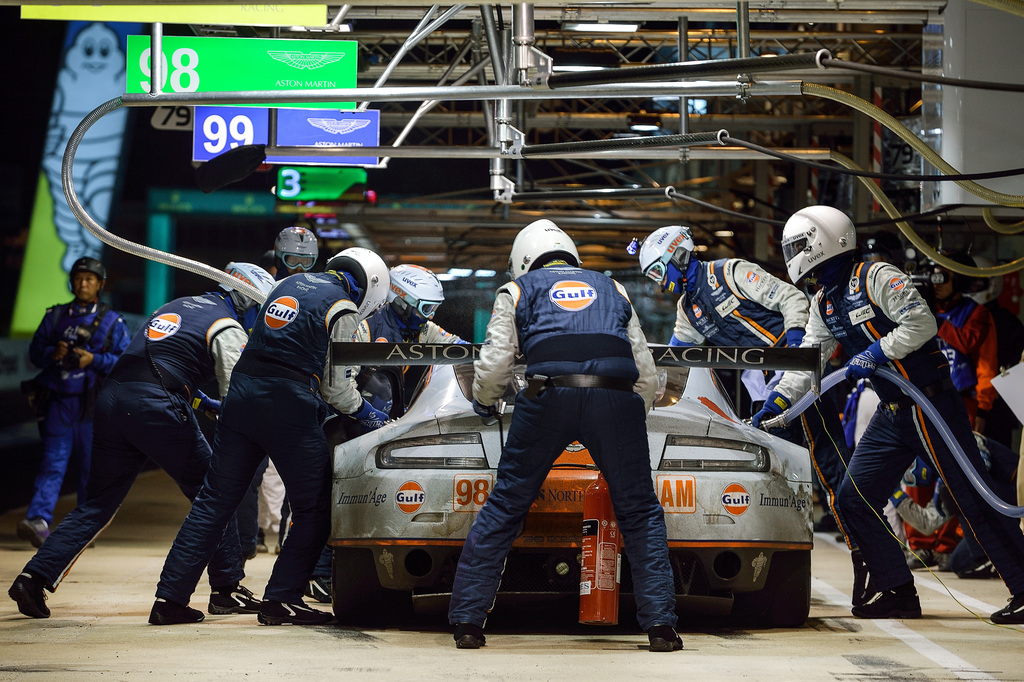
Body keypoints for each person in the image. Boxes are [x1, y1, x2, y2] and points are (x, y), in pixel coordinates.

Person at [753, 205, 1024, 624]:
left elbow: (922, 323)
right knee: (852, 498)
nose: (794, 253)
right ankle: (897, 589)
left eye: (798, 244)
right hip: (893, 410)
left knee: (971, 497)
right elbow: (812, 360)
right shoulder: (824, 301)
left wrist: (877, 351)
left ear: (821, 241)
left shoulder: (877, 277)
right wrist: (780, 400)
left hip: (930, 404)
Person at [448, 219, 681, 652]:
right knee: (640, 512)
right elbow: (645, 371)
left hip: (546, 396)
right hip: (615, 399)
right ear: (572, 255)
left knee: (505, 506)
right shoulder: (614, 288)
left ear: (523, 261)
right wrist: (635, 409)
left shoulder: (517, 290)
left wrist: (484, 400)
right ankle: (661, 628)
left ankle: (467, 622)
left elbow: (496, 365)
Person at [8, 263, 275, 621]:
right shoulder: (227, 326)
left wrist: (203, 403)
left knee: (98, 504)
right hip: (157, 406)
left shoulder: (175, 306)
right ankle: (225, 590)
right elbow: (238, 397)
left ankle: (32, 578)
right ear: (248, 300)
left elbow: (160, 362)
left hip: (112, 400)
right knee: (215, 494)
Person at [152, 248, 391, 626]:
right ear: (371, 288)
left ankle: (168, 600)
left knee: (213, 503)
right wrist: (372, 415)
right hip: (288, 406)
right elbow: (336, 390)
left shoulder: (284, 284)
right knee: (316, 508)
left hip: (241, 397)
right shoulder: (343, 309)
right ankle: (282, 598)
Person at [637, 225, 866, 604]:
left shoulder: (732, 273)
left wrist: (793, 358)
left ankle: (866, 555)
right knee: (782, 477)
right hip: (765, 395)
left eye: (659, 273)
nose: (660, 284)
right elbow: (673, 361)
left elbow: (794, 299)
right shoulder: (687, 309)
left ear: (678, 256)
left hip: (801, 385)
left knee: (831, 471)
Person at [305, 263, 466, 602]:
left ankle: (338, 568)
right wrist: (367, 415)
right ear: (402, 299)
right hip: (340, 420)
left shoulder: (421, 331)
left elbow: (461, 348)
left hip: (379, 425)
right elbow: (338, 384)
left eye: (434, 309)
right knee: (326, 498)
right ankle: (318, 571)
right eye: (425, 308)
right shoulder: (363, 326)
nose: (429, 316)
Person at [19, 257, 130, 547]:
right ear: (71, 281)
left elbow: (126, 363)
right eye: (79, 278)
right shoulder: (55, 316)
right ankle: (38, 521)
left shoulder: (112, 321)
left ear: (100, 284)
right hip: (59, 401)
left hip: (95, 405)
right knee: (52, 463)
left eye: (90, 279)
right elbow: (35, 353)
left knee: (91, 468)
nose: (83, 283)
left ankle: (84, 528)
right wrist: (52, 353)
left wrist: (94, 358)